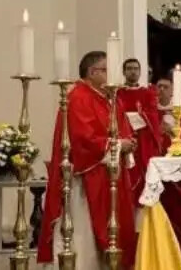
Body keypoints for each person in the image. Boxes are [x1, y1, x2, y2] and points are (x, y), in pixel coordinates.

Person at [38, 52, 138, 267]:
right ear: (93, 72)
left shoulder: (108, 98)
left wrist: (128, 142)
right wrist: (118, 144)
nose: (112, 75)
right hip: (85, 180)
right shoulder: (78, 97)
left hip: (108, 175)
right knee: (85, 238)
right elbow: (82, 139)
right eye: (106, 70)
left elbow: (122, 128)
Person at [117, 58, 162, 200]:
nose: (133, 71)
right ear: (124, 72)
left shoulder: (147, 93)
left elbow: (153, 116)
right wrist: (134, 117)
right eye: (129, 68)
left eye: (136, 69)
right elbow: (114, 115)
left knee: (144, 174)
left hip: (143, 141)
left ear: (140, 72)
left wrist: (127, 117)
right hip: (124, 139)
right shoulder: (118, 93)